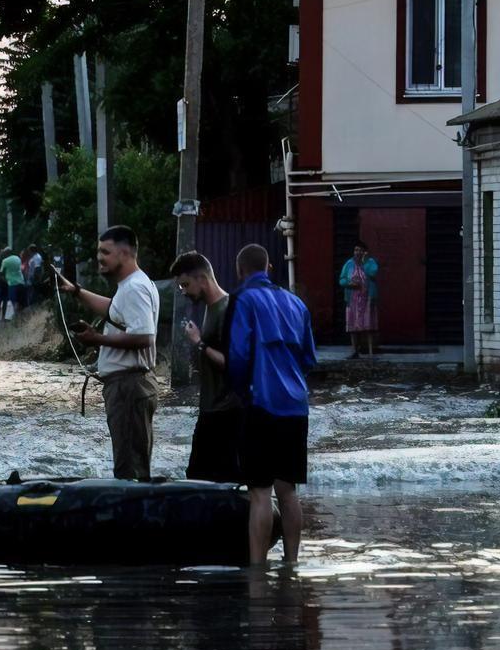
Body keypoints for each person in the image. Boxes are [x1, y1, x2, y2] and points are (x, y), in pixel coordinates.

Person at [227, 243, 317, 567]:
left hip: (261, 404)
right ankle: (292, 563)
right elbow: (309, 359)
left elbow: (238, 357)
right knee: (288, 490)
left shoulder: (244, 300)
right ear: (268, 268)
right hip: (296, 406)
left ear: (240, 271)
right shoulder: (297, 304)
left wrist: (240, 392)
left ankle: (257, 568)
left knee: (260, 492)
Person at [57, 226, 161, 480]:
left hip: (129, 387)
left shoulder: (135, 288)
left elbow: (144, 337)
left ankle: (132, 518)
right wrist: (77, 292)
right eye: (98, 251)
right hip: (128, 386)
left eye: (105, 252)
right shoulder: (130, 286)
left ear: (124, 253)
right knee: (129, 465)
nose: (99, 257)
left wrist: (96, 339)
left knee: (130, 471)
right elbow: (114, 310)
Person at [170, 251, 242, 483]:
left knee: (222, 480)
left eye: (185, 284)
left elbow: (232, 363)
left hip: (227, 412)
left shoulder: (228, 309)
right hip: (211, 409)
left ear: (202, 279)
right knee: (198, 477)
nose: (184, 291)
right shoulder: (210, 309)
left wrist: (199, 343)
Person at [339, 240, 378, 358]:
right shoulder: (349, 264)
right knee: (353, 326)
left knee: (368, 325)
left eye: (360, 250)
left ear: (365, 252)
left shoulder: (370, 262)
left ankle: (371, 352)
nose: (358, 252)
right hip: (353, 299)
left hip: (367, 299)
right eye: (356, 250)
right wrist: (349, 284)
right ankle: (354, 351)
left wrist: (364, 262)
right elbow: (342, 279)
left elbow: (373, 273)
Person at [0, 247, 26, 314]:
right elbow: (21, 268)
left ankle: (16, 317)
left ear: (6, 253)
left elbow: (1, 273)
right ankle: (21, 317)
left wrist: (5, 280)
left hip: (12, 284)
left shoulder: (5, 261)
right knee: (21, 302)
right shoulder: (17, 258)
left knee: (14, 302)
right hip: (21, 282)